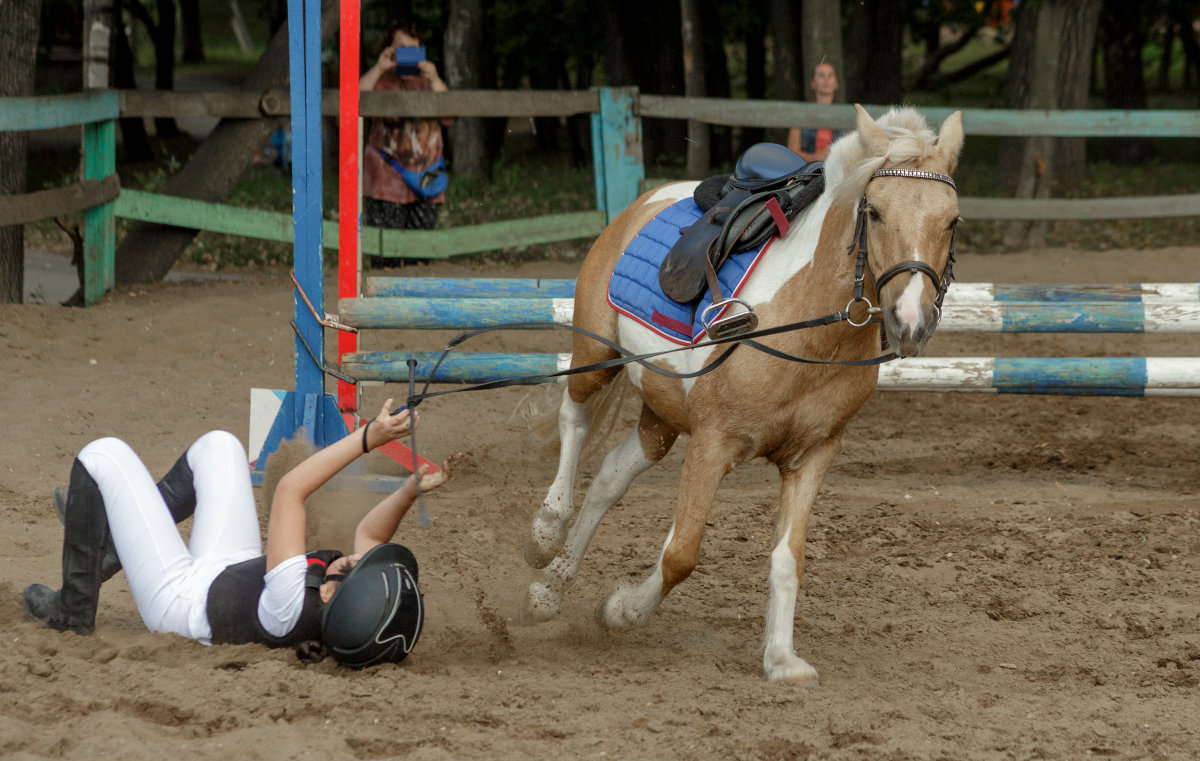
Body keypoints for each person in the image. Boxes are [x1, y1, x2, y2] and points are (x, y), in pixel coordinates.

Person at [22, 401, 451, 668]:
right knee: (220, 446)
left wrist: (366, 439)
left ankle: (72, 612)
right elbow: (369, 535)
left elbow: (289, 491)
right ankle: (114, 548)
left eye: (356, 564)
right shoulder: (338, 605)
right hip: (228, 574)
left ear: (327, 594)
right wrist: (408, 491)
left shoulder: (289, 603)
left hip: (179, 603)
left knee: (101, 456)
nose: (361, 555)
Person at [359, 19, 454, 267]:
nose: (409, 55)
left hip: (427, 179)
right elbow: (353, 104)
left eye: (414, 49)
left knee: (419, 257)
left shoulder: (430, 82)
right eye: (402, 48)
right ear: (390, 49)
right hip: (385, 180)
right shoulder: (381, 80)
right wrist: (380, 68)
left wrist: (433, 77)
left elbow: (449, 116)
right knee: (384, 255)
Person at [786, 62, 847, 163]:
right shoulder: (800, 115)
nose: (826, 80)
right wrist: (813, 158)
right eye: (821, 75)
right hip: (807, 173)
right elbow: (791, 152)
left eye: (830, 75)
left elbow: (854, 149)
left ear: (836, 83)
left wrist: (833, 154)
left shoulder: (846, 116)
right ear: (813, 83)